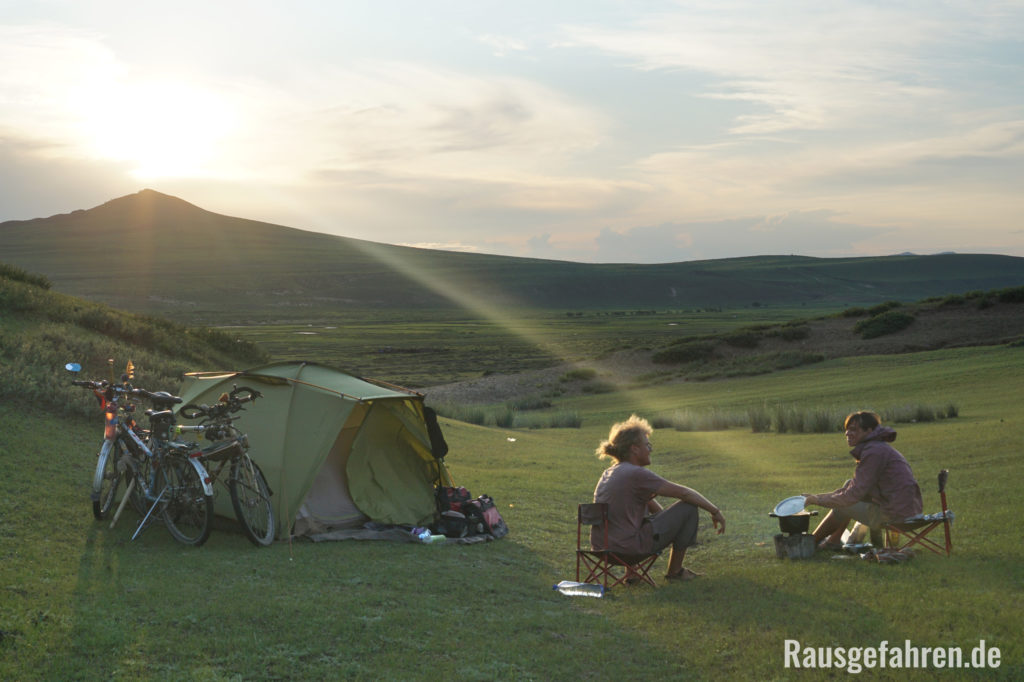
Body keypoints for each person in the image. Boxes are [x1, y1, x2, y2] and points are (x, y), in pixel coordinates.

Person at [592, 414, 725, 582]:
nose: (650, 449)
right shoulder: (636, 474)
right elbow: (684, 493)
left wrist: (670, 528)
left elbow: (644, 506)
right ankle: (675, 572)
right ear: (634, 449)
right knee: (688, 507)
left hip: (602, 549)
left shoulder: (610, 473)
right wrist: (715, 511)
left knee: (633, 516)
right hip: (627, 549)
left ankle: (632, 574)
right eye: (647, 445)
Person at [803, 411, 923, 549]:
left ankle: (809, 544)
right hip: (903, 509)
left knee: (844, 506)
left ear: (869, 431)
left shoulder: (874, 452)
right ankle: (833, 541)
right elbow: (851, 488)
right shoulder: (877, 447)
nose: (847, 433)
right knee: (848, 484)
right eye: (847, 429)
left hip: (896, 515)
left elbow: (852, 495)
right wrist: (816, 497)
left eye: (853, 429)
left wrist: (817, 501)